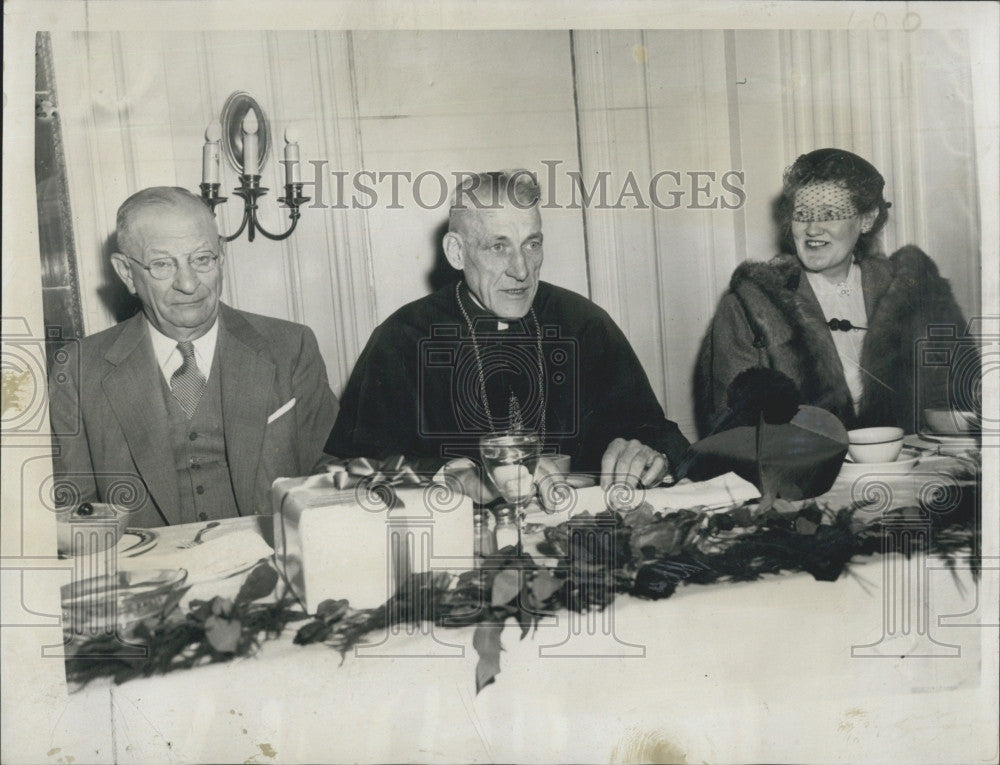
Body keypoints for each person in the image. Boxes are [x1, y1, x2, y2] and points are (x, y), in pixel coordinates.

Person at [326, 170, 690, 488]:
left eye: (531, 244)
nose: (522, 269)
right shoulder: (403, 338)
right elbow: (350, 468)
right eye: (499, 246)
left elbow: (660, 434)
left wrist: (646, 452)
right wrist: (455, 476)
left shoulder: (583, 323)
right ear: (456, 252)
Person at [48, 187, 338, 527]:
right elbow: (69, 510)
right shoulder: (81, 369)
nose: (188, 283)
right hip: (147, 573)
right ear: (127, 273)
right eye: (162, 265)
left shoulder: (290, 346)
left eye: (201, 259)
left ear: (221, 258)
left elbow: (329, 471)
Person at [694, 148, 973, 437]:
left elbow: (960, 400)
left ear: (866, 220)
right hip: (804, 479)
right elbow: (732, 433)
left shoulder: (909, 292)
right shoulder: (750, 306)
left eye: (830, 214)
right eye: (802, 214)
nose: (813, 229)